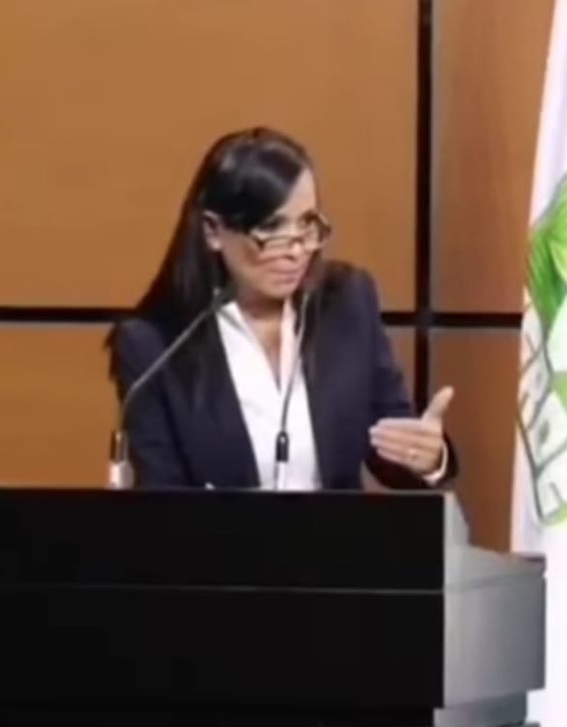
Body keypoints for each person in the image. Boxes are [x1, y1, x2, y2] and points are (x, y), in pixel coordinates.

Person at [108, 127, 458, 490]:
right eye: (271, 228)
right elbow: (162, 497)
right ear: (213, 231)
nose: (296, 250)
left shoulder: (346, 303)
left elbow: (391, 446)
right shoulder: (156, 346)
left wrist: (429, 458)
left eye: (306, 224)